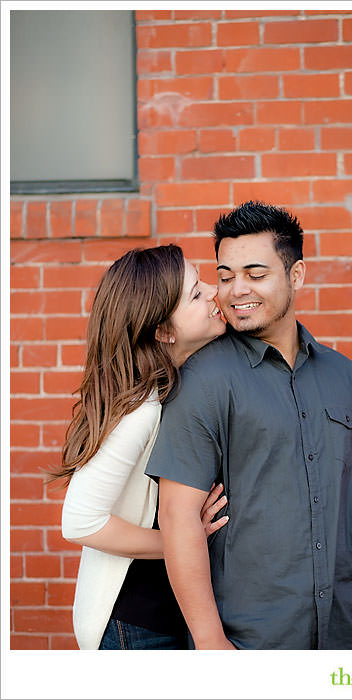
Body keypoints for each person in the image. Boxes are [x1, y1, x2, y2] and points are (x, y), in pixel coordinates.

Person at [145, 201, 352, 650]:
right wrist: (209, 641)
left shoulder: (343, 374)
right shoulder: (203, 380)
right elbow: (179, 515)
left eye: (255, 274)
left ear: (295, 275)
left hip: (345, 635)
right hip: (249, 644)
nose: (235, 290)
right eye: (224, 276)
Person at [52, 244, 229, 649]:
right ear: (164, 332)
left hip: (163, 617)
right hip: (134, 625)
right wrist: (185, 537)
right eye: (196, 294)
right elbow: (80, 520)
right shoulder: (141, 409)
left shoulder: (178, 389)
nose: (212, 292)